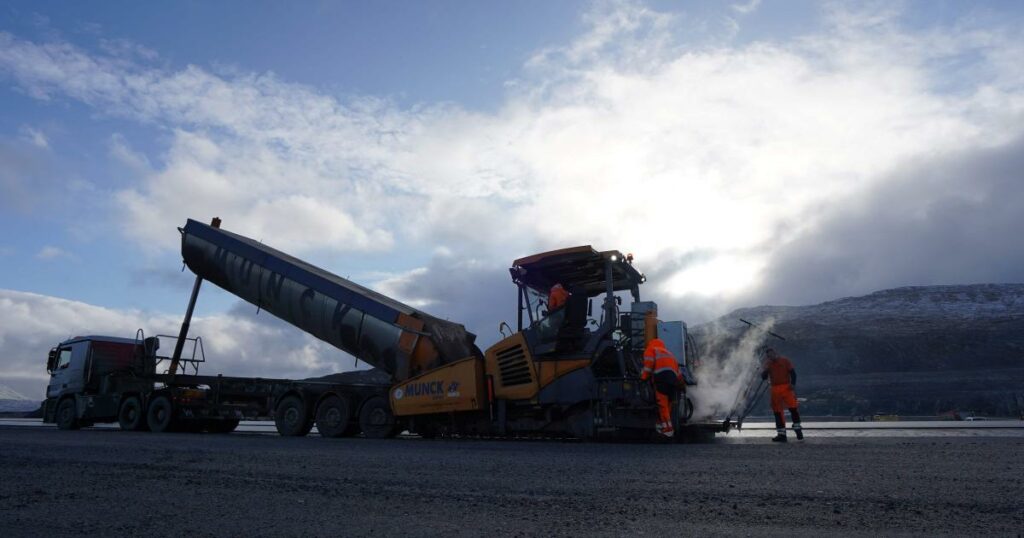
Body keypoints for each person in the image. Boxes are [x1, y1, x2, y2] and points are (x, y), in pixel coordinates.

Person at [641, 338, 683, 437]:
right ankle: (665, 425)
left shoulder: (651, 350)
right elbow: (678, 371)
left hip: (661, 380)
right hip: (673, 382)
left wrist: (643, 378)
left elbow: (648, 366)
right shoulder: (669, 353)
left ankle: (667, 429)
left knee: (662, 405)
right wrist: (681, 384)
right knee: (669, 404)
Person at [761, 348, 803, 442]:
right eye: (769, 355)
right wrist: (766, 370)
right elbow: (763, 378)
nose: (771, 356)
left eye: (772, 354)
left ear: (776, 353)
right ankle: (782, 434)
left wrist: (793, 384)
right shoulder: (768, 364)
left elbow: (793, 373)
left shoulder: (785, 361)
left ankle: (797, 429)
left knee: (793, 408)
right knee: (777, 412)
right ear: (768, 357)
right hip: (775, 388)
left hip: (786, 387)